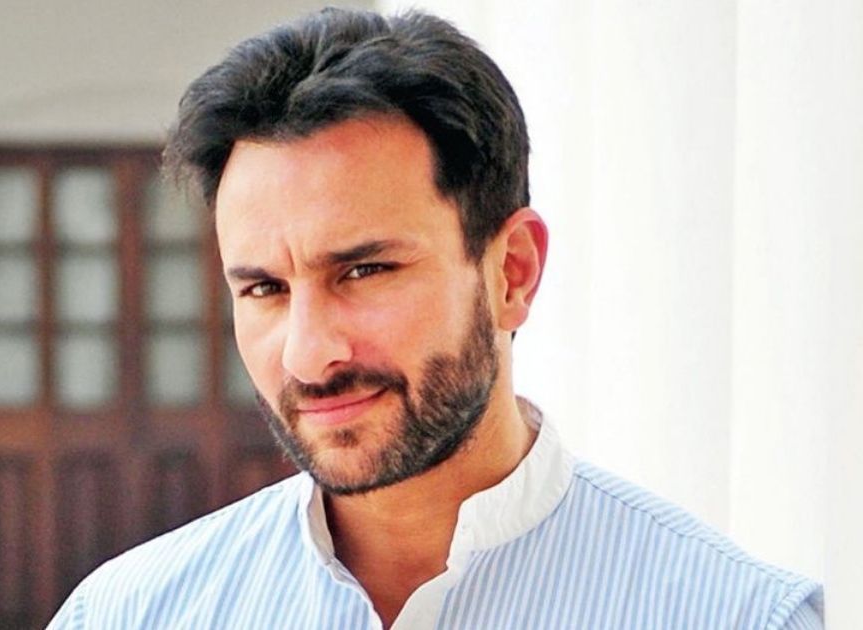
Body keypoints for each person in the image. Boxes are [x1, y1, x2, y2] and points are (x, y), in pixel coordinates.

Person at [47, 8, 823, 629]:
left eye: (364, 271)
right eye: (265, 290)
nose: (309, 355)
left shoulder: (732, 615)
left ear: (512, 272)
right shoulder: (129, 614)